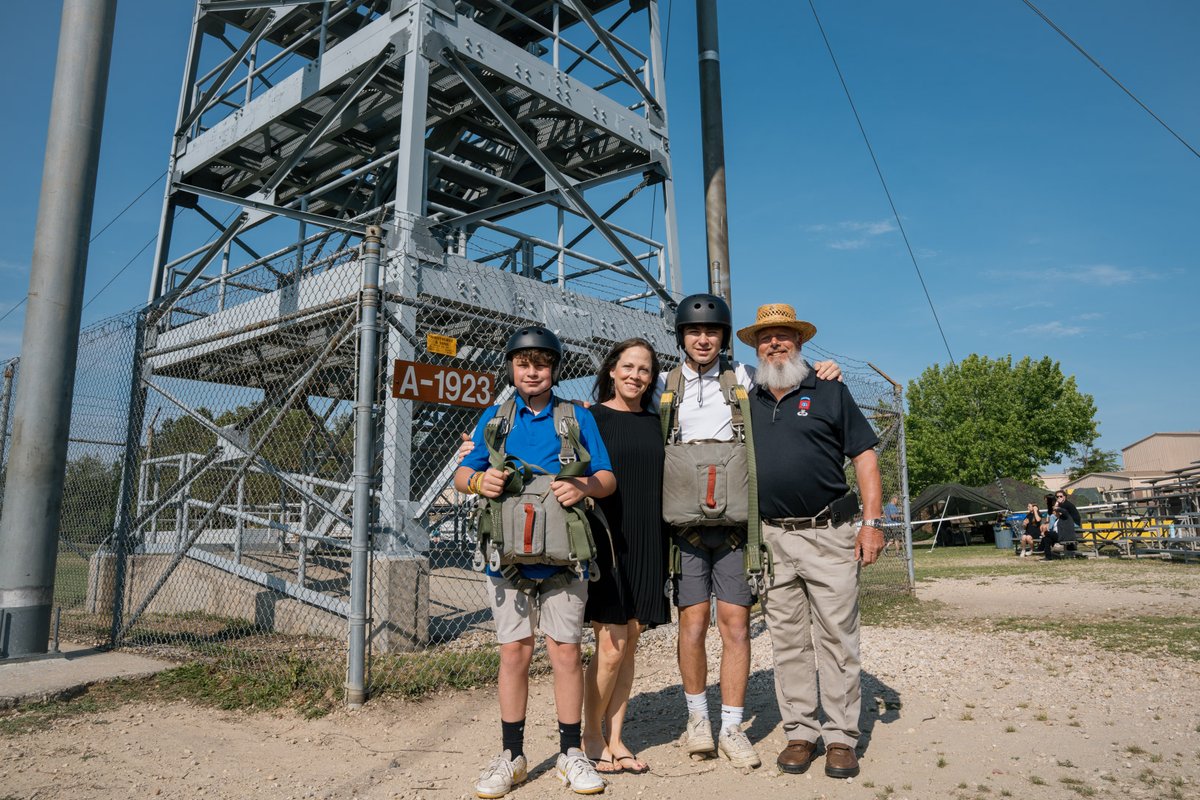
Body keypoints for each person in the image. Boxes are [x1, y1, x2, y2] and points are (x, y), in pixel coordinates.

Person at [659, 294, 840, 770]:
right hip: (686, 530)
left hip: (739, 529)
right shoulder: (664, 387)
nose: (703, 339)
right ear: (681, 337)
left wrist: (826, 370)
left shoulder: (742, 379)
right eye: (695, 333)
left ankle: (732, 727)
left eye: (713, 332)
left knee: (736, 626)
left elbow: (789, 376)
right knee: (692, 625)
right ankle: (697, 718)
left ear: (723, 338)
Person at [455, 326, 616, 798]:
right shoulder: (497, 417)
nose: (532, 371)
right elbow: (466, 471)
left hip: (564, 558)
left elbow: (606, 477)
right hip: (506, 559)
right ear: (511, 367)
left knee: (565, 651)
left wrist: (584, 487)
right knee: (514, 652)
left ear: (555, 370)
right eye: (524, 363)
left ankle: (570, 754)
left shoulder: (575, 418)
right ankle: (512, 755)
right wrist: (475, 483)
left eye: (542, 364)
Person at [737, 303, 883, 780]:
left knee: (838, 637)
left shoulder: (830, 389)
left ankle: (842, 737)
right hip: (773, 538)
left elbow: (863, 456)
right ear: (755, 347)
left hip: (829, 533)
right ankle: (800, 730)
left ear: (799, 342)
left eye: (784, 336)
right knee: (788, 641)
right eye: (766, 338)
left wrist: (873, 522)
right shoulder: (745, 398)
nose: (774, 344)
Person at [582, 339, 671, 776]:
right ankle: (589, 736)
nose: (637, 375)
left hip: (649, 539)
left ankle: (617, 738)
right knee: (611, 645)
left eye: (645, 369)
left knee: (631, 641)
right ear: (612, 370)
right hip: (607, 541)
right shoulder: (590, 418)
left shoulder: (658, 423)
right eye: (629, 366)